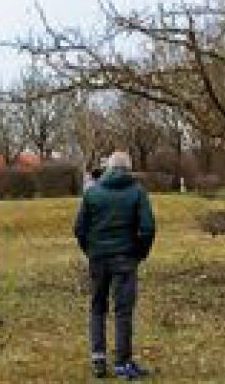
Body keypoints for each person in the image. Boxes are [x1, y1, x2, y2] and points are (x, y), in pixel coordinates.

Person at [74, 152, 156, 380]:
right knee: (123, 311)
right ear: (128, 169)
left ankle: (98, 356)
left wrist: (90, 250)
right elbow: (148, 228)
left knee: (97, 306)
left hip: (98, 258)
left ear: (108, 167)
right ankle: (122, 362)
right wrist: (140, 253)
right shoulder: (137, 192)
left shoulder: (92, 192)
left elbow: (79, 229)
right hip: (126, 258)